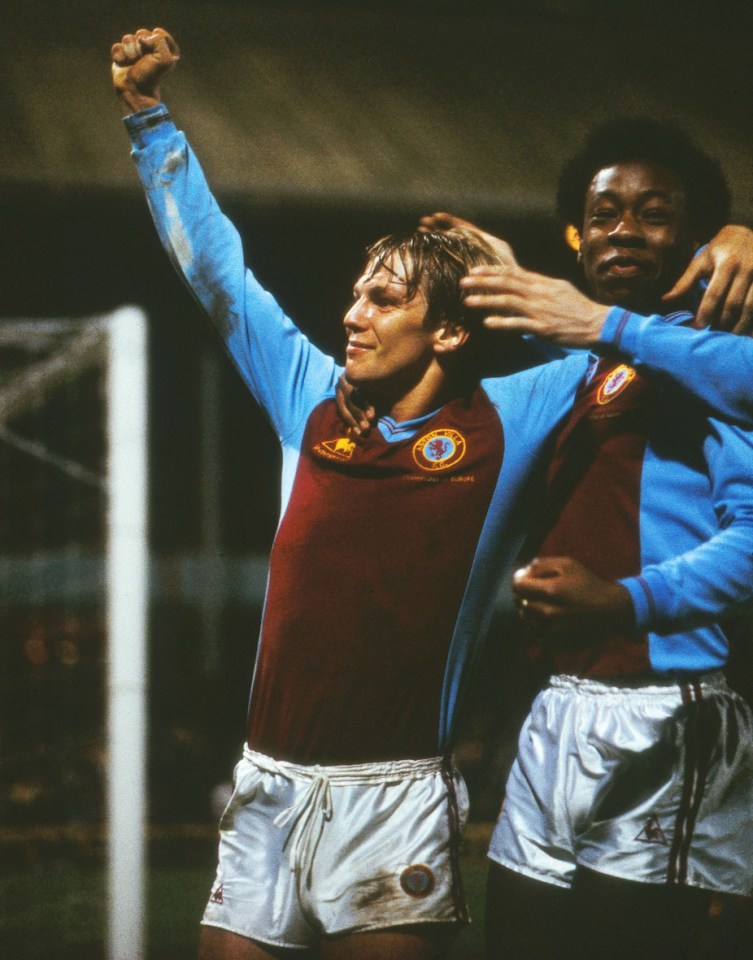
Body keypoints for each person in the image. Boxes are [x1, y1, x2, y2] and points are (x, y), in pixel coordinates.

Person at [111, 30, 753, 960]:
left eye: (382, 300)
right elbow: (219, 274)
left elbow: (630, 339)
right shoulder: (306, 398)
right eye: (356, 295)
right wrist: (148, 119)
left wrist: (734, 239)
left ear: (449, 333)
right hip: (271, 787)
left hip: (406, 787)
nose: (350, 315)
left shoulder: (523, 407)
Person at [454, 119, 753, 960]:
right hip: (558, 704)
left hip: (668, 706)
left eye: (654, 213)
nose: (624, 228)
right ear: (576, 239)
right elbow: (573, 334)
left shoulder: (713, 355)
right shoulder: (595, 364)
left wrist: (626, 600)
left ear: (698, 240)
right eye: (605, 212)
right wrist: (500, 275)